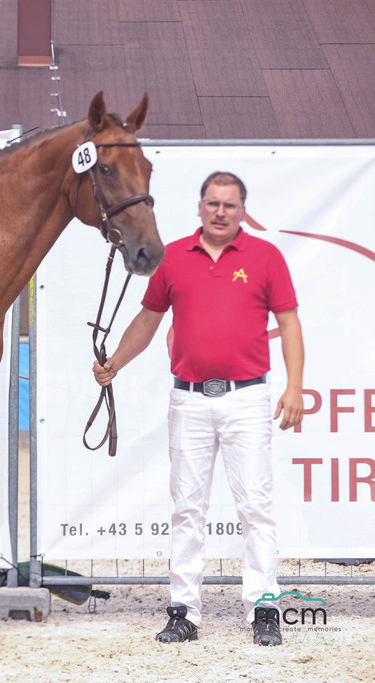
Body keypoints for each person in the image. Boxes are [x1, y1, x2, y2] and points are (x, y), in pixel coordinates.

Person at [92, 171, 304, 646]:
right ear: (200, 206)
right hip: (188, 400)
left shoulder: (266, 257)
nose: (220, 212)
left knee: (256, 507)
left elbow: (289, 324)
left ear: (243, 210)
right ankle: (183, 610)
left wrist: (295, 387)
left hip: (247, 399)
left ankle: (263, 607)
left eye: (229, 205)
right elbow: (148, 320)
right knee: (187, 508)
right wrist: (115, 363)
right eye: (213, 203)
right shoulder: (172, 258)